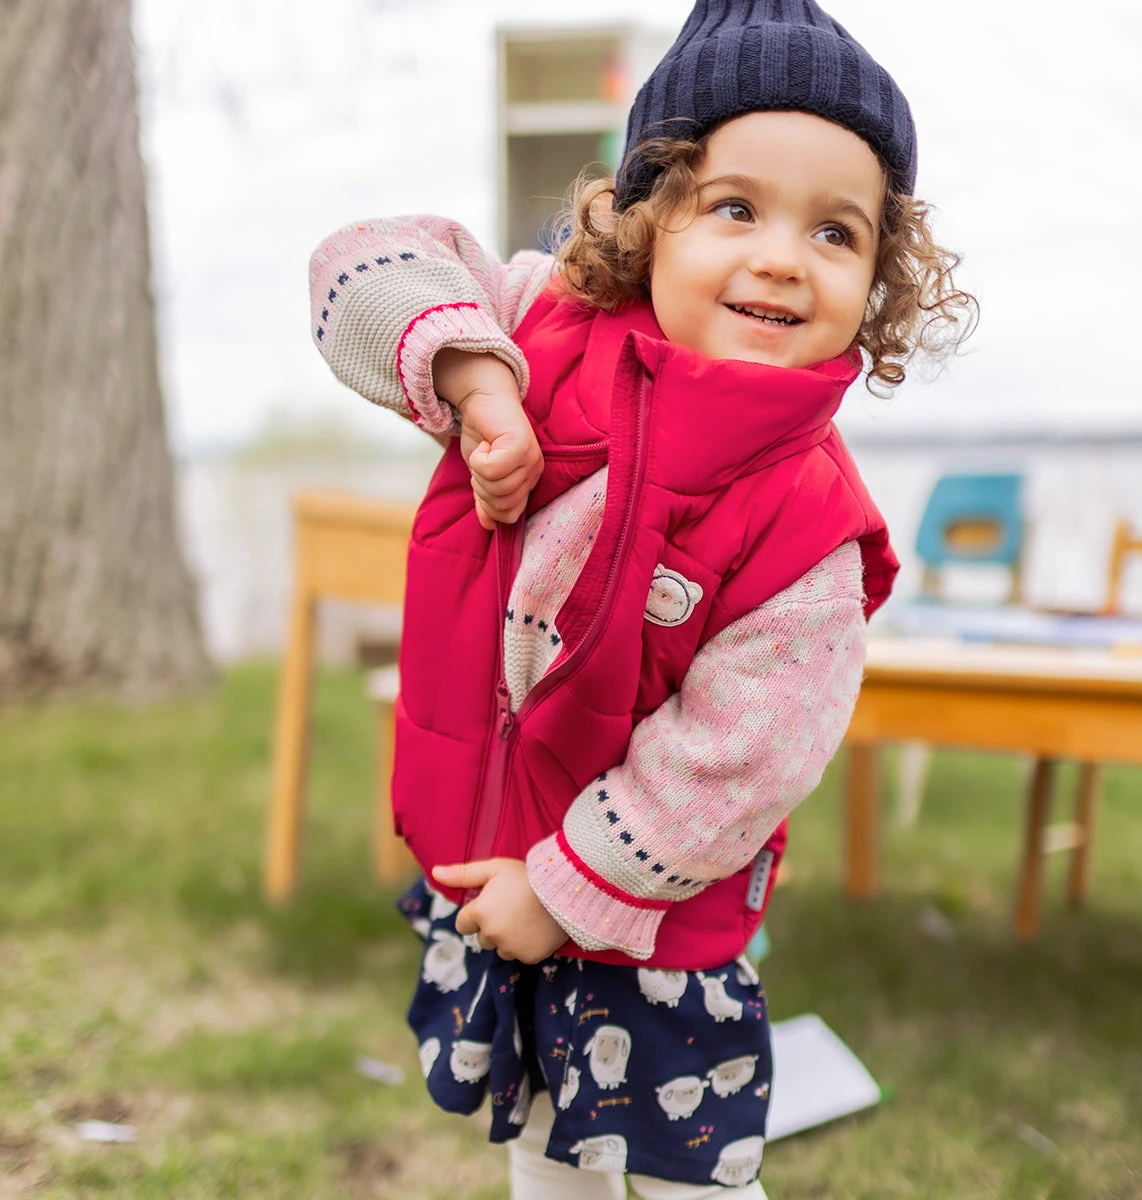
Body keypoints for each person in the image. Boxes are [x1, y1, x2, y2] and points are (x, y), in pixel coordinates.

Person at [309, 2, 975, 1194]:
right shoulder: (539, 330)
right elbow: (361, 260)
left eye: (835, 231)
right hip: (489, 867)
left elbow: (742, 753)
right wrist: (474, 380)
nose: (781, 254)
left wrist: (562, 892)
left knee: (687, 1177)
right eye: (736, 207)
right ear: (646, 216)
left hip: (649, 921)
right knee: (540, 1157)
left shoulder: (808, 520)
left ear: (878, 281)